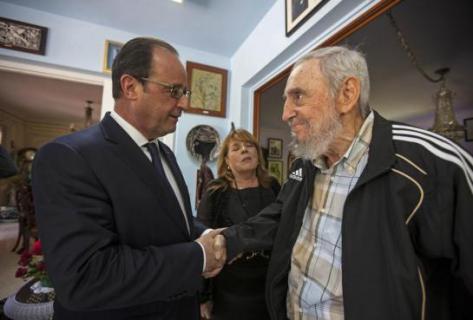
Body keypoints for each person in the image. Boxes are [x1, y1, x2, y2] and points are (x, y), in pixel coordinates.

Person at [222, 46, 473, 320]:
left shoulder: (435, 165)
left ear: (346, 94)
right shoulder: (304, 165)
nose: (285, 114)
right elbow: (281, 215)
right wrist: (228, 240)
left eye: (297, 96)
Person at [32, 37, 226, 320]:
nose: (184, 103)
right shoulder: (68, 156)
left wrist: (203, 233)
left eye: (185, 91)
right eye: (174, 90)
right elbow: (86, 276)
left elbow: (169, 220)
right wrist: (199, 256)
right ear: (130, 87)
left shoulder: (164, 153)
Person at [197, 128, 280, 320]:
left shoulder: (273, 186)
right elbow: (204, 241)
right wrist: (203, 296)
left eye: (250, 145)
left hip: (269, 286)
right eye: (236, 148)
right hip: (229, 288)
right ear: (226, 160)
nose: (245, 150)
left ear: (258, 155)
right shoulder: (216, 191)